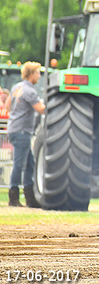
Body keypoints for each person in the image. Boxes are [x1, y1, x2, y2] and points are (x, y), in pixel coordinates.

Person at [5, 62, 45, 207]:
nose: (39, 76)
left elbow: (8, 106)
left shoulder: (16, 87)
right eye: (38, 73)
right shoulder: (30, 91)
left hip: (14, 129)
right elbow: (41, 109)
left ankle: (30, 198)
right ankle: (13, 197)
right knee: (18, 164)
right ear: (31, 74)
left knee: (29, 164)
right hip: (23, 131)